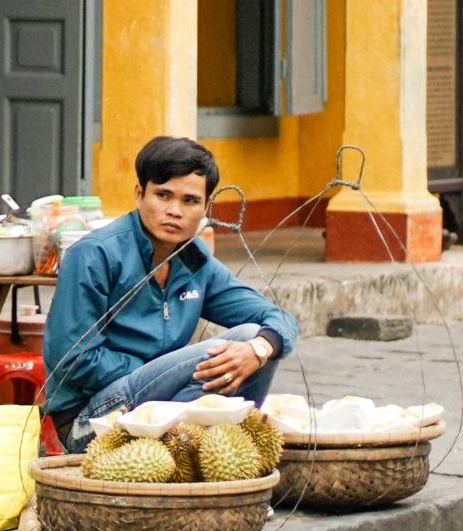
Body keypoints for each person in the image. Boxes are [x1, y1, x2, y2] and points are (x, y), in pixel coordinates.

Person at [40, 135, 300, 454]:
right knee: (218, 351)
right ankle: (181, 451)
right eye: (163, 195)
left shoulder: (195, 261)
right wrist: (165, 369)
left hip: (157, 409)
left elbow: (281, 320)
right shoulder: (95, 255)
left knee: (252, 338)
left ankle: (206, 452)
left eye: (189, 201)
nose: (174, 211)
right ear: (139, 195)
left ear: (206, 208)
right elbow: (70, 360)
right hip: (91, 422)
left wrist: (260, 349)